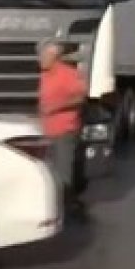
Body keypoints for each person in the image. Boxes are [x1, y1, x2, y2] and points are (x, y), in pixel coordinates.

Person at [38, 39, 87, 218]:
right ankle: (54, 205)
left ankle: (66, 208)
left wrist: (57, 107)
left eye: (43, 55)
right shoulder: (43, 75)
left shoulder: (68, 74)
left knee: (63, 171)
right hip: (46, 130)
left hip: (65, 130)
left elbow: (80, 98)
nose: (40, 59)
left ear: (54, 56)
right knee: (48, 171)